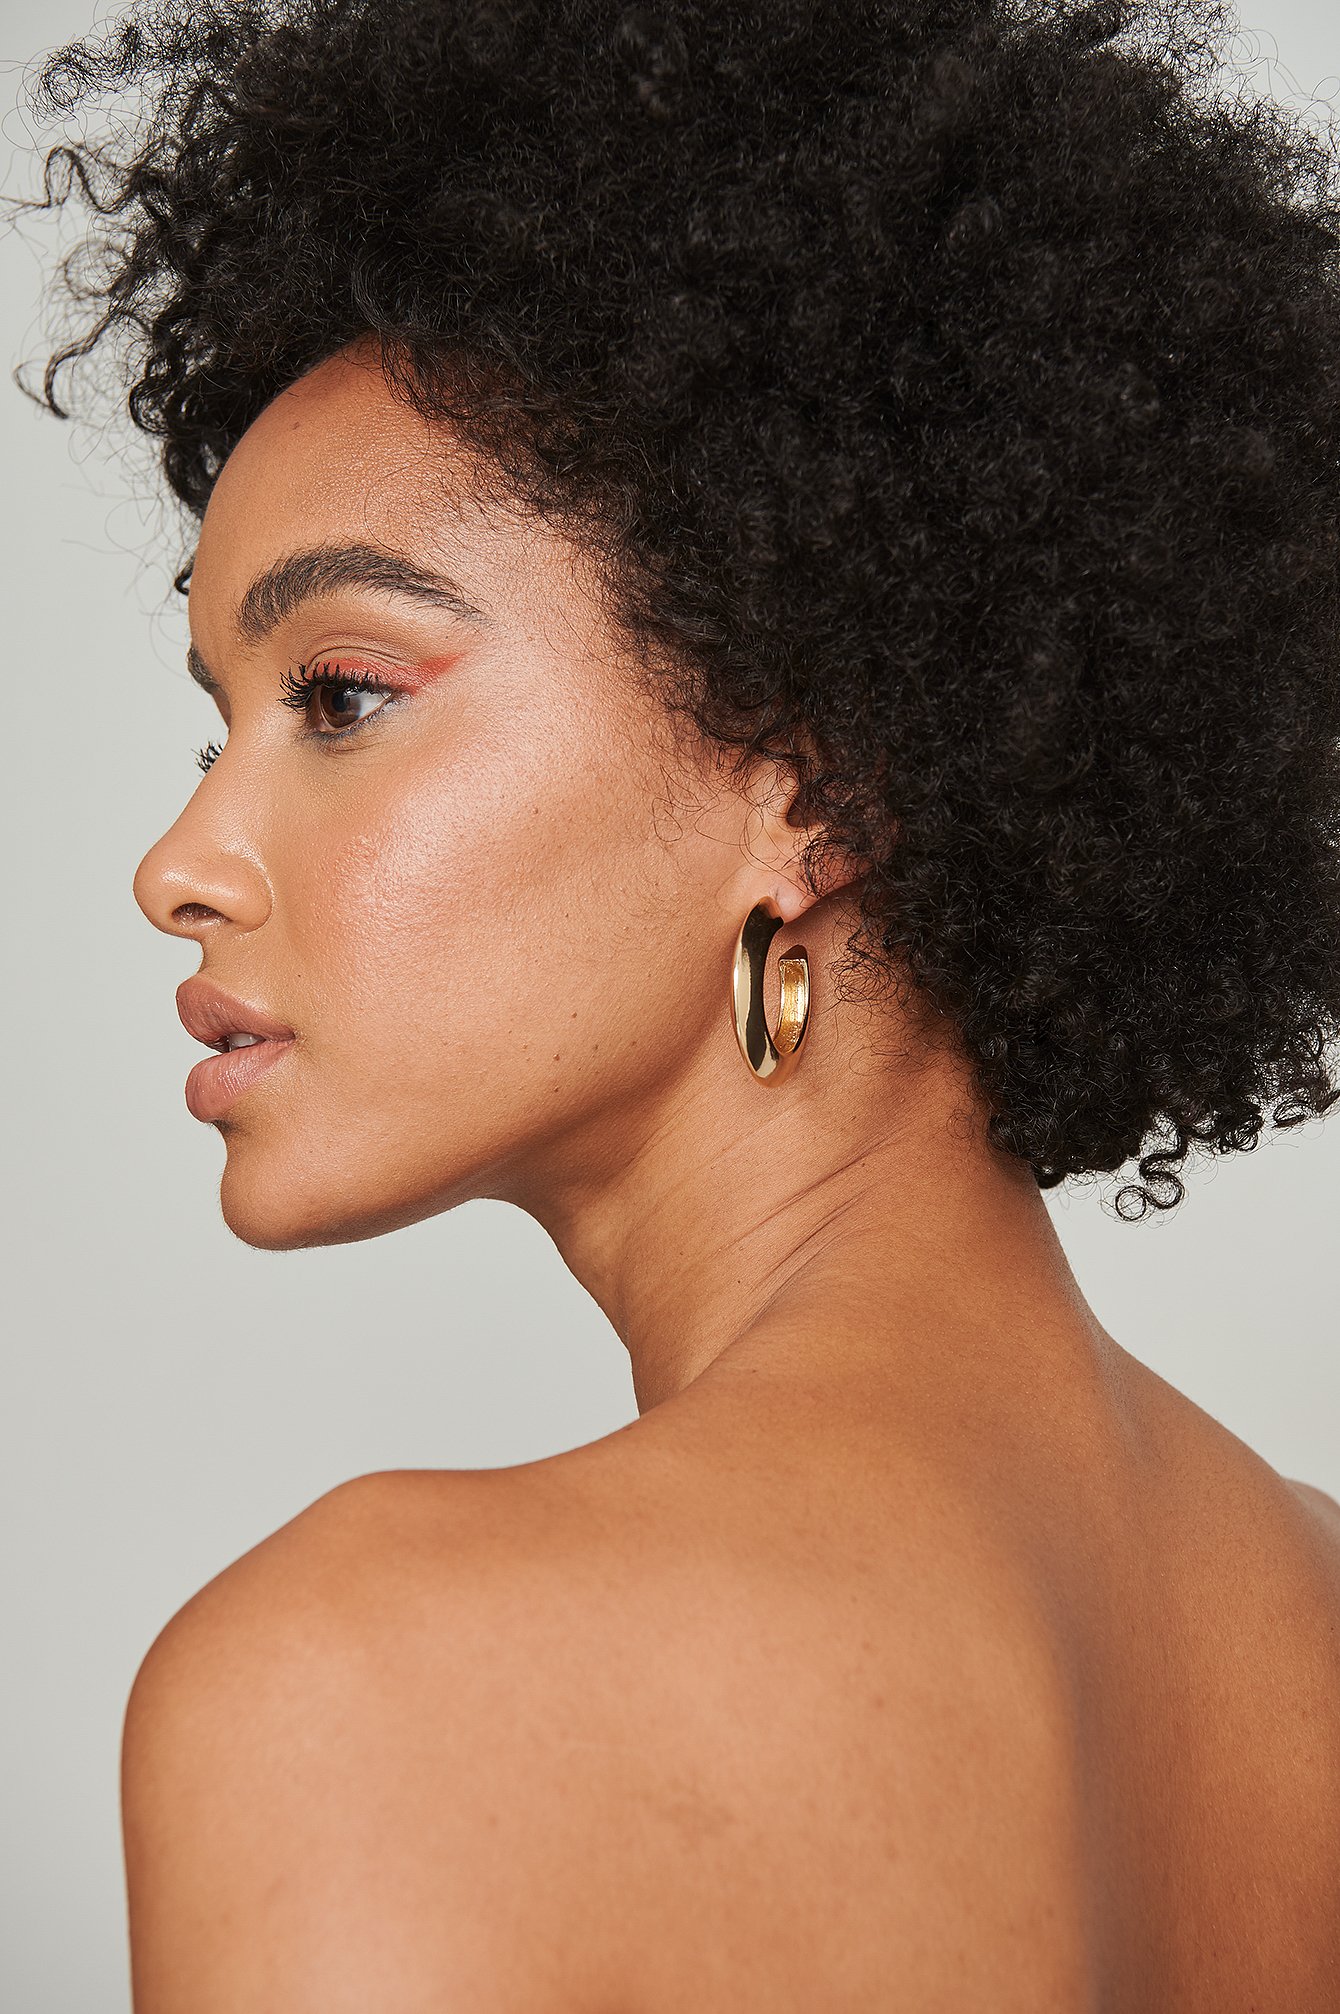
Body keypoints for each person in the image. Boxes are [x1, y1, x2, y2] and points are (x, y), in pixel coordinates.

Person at [19, 0, 1340, 2004]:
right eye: (222, 724)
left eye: (342, 695)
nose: (180, 863)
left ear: (806, 780)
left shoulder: (375, 1678)